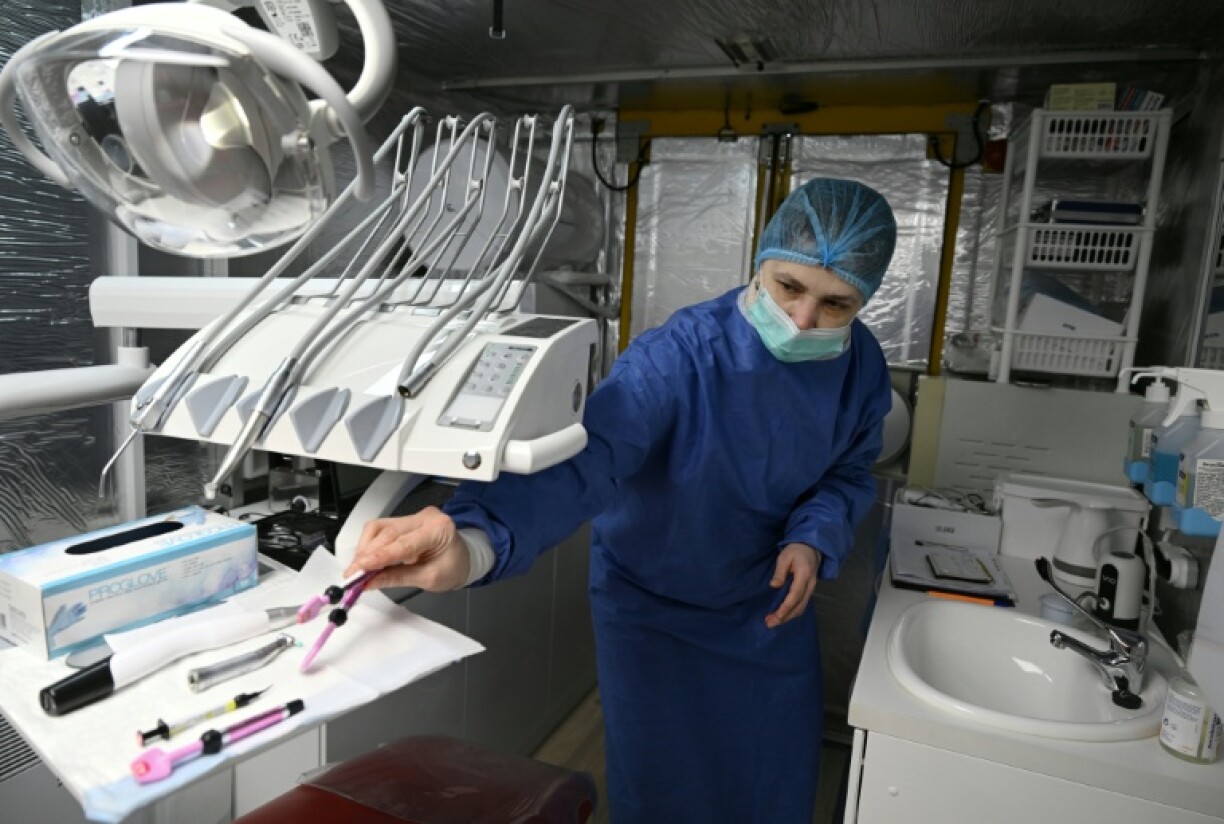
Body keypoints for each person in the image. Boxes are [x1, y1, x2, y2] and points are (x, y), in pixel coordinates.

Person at [346, 177, 898, 823]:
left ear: (865, 301)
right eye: (789, 288)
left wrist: (812, 535)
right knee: (663, 787)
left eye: (835, 305)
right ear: (760, 262)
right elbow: (590, 457)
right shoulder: (682, 356)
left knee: (767, 778)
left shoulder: (860, 368)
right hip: (650, 609)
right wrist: (476, 538)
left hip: (763, 610)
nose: (803, 321)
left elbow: (846, 471)